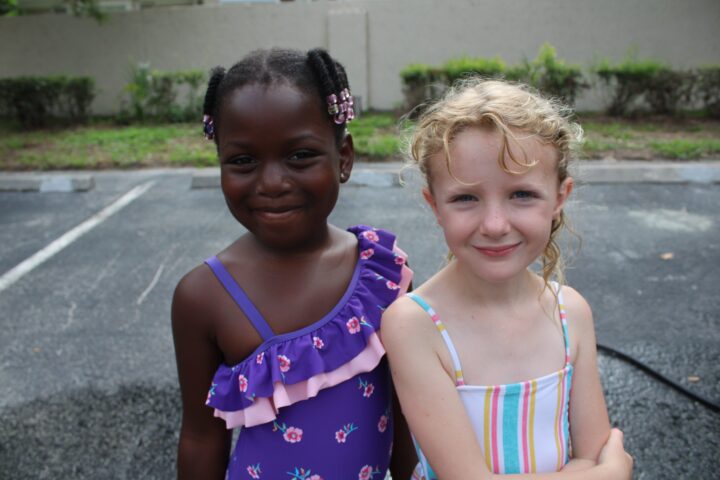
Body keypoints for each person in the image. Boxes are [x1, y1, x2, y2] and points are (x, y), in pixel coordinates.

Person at [171, 48, 415, 480]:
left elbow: (410, 415)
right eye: (243, 161)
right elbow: (200, 438)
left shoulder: (383, 278)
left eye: (300, 156)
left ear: (344, 158)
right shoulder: (203, 296)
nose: (272, 183)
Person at [382, 79, 633, 479]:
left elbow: (594, 451)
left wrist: (596, 468)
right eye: (466, 198)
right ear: (435, 205)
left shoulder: (570, 312)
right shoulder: (414, 325)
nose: (495, 225)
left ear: (559, 197)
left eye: (522, 195)